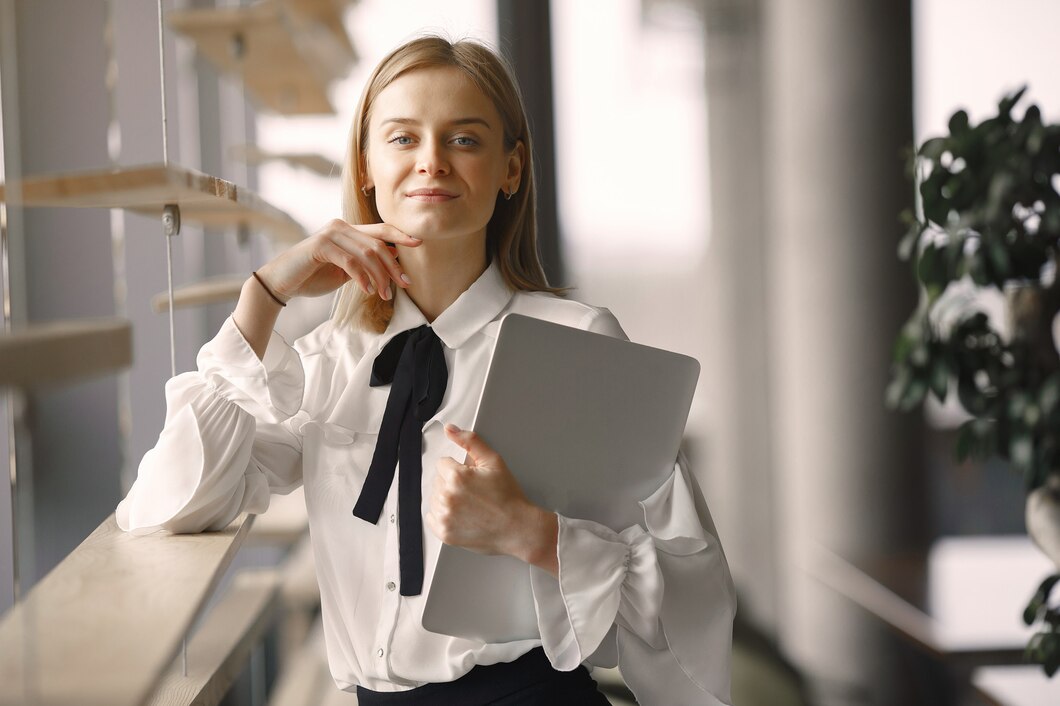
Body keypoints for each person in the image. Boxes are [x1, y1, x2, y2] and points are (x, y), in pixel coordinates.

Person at [117, 36, 736, 706]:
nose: (432, 162)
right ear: (366, 168)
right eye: (403, 138)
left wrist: (530, 533)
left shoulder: (581, 345)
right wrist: (263, 298)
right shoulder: (325, 363)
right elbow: (166, 506)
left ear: (511, 168)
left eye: (464, 140)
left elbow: (691, 591)